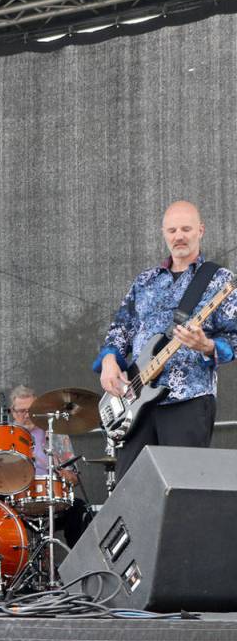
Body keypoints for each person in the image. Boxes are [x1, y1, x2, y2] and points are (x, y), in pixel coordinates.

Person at [95, 201, 237, 480]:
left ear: (200, 230)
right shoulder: (145, 281)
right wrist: (110, 361)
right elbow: (120, 329)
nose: (179, 236)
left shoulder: (220, 280)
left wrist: (207, 346)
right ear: (164, 233)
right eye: (172, 230)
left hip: (188, 400)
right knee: (131, 490)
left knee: (185, 487)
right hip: (135, 404)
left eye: (186, 228)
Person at [0, 386, 88, 546]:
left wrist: (59, 469)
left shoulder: (55, 433)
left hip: (51, 500)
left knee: (79, 510)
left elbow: (74, 479)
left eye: (31, 410)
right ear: (12, 412)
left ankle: (79, 564)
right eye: (21, 411)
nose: (26, 415)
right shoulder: (4, 435)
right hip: (13, 500)